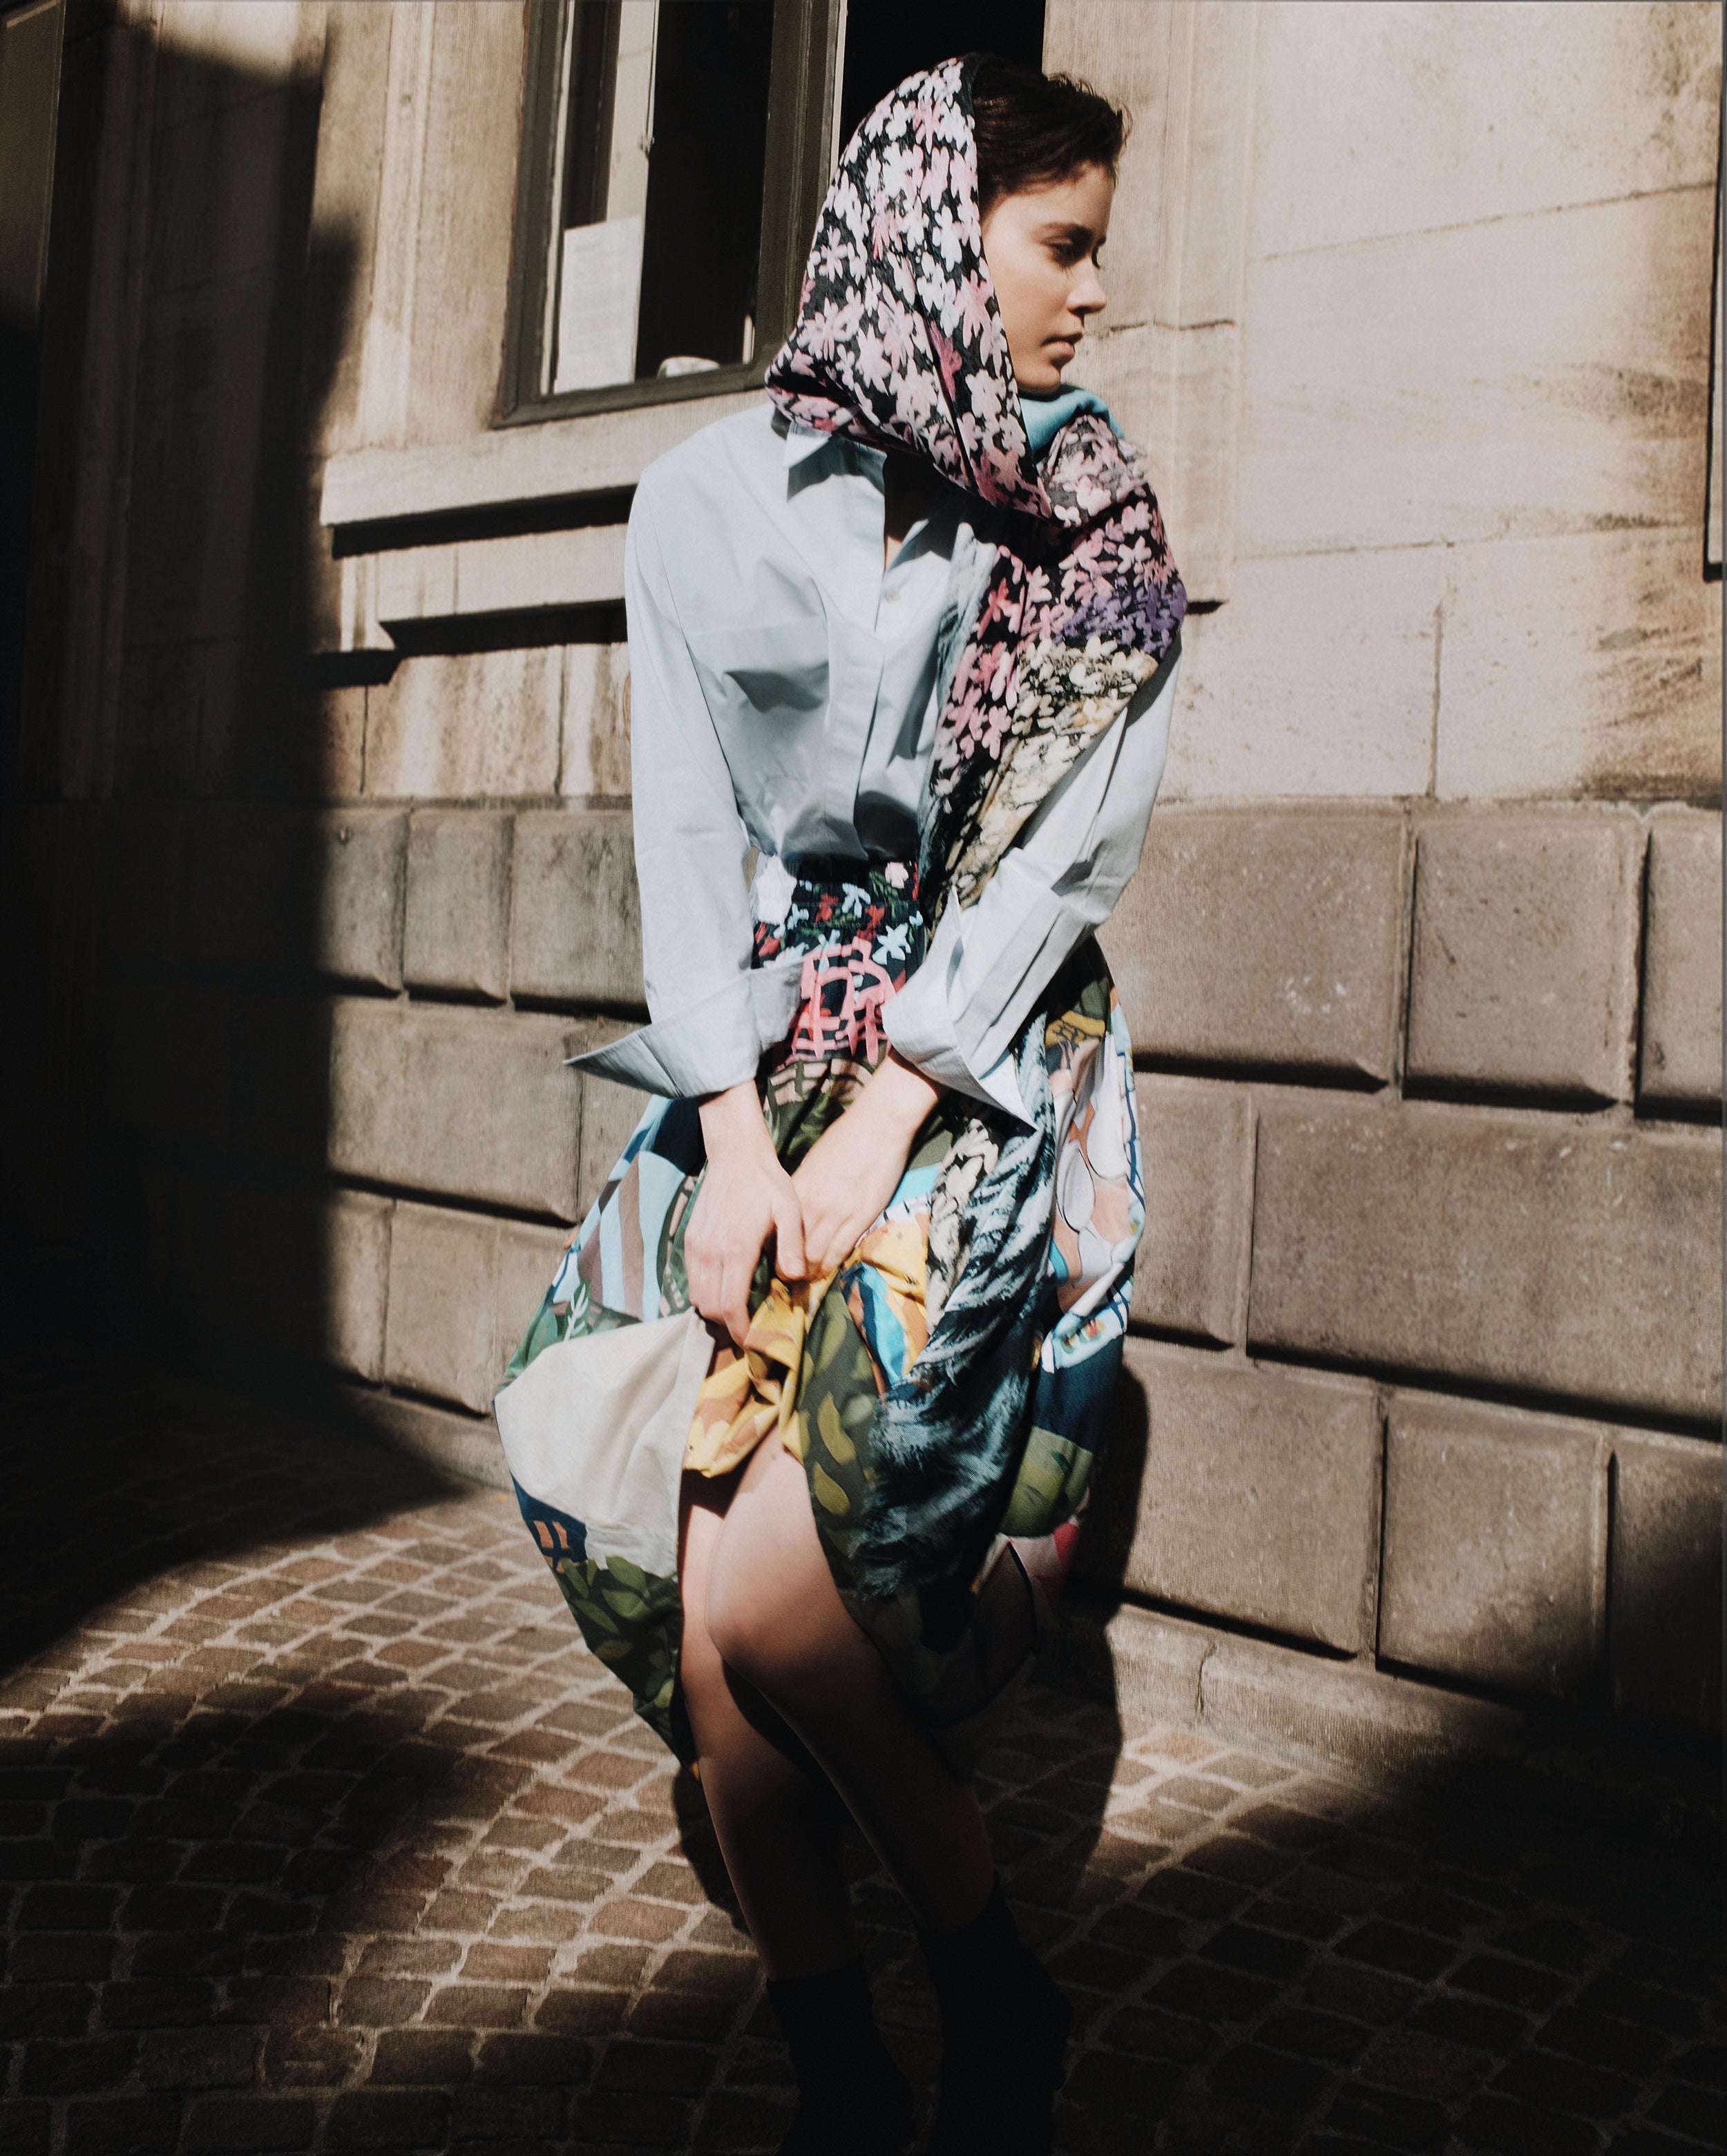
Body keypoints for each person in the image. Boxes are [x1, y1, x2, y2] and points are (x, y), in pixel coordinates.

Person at [494, 53, 1185, 2156]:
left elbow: (1061, 853)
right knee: (715, 1627)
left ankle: (983, 1968)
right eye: (1056, 246)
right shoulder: (701, 501)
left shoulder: (1090, 515)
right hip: (760, 1069)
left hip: (976, 1067)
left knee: (786, 1598)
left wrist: (883, 1107)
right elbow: (686, 834)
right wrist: (729, 1136)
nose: (1088, 297)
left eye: (1096, 252)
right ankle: (841, 2069)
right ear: (926, 231)